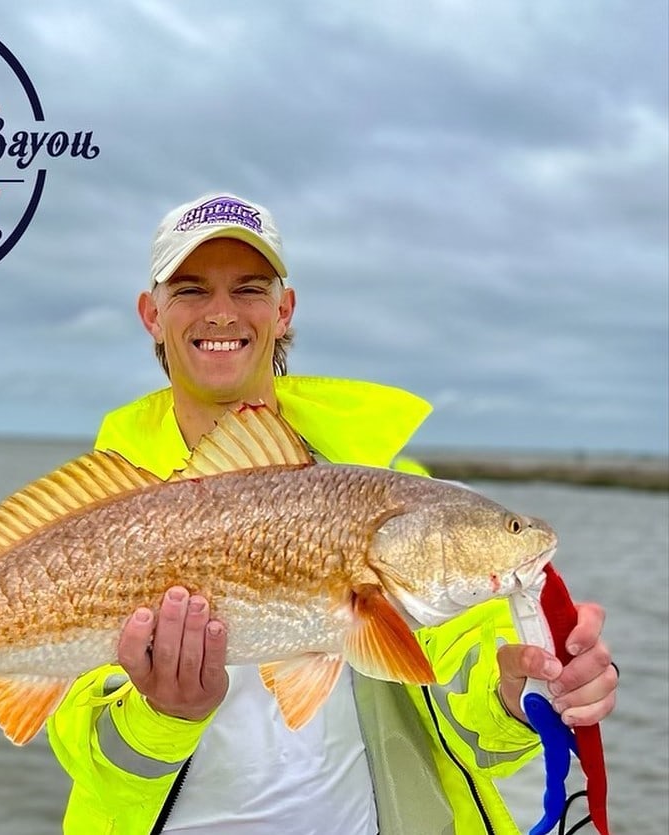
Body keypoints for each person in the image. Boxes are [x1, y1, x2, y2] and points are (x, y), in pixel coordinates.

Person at [46, 193, 618, 835]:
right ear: (152, 314)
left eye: (251, 288)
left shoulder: (405, 498)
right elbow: (85, 753)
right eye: (190, 289)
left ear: (284, 310)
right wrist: (163, 715)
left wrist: (520, 695)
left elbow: (467, 695)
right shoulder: (100, 516)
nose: (222, 312)